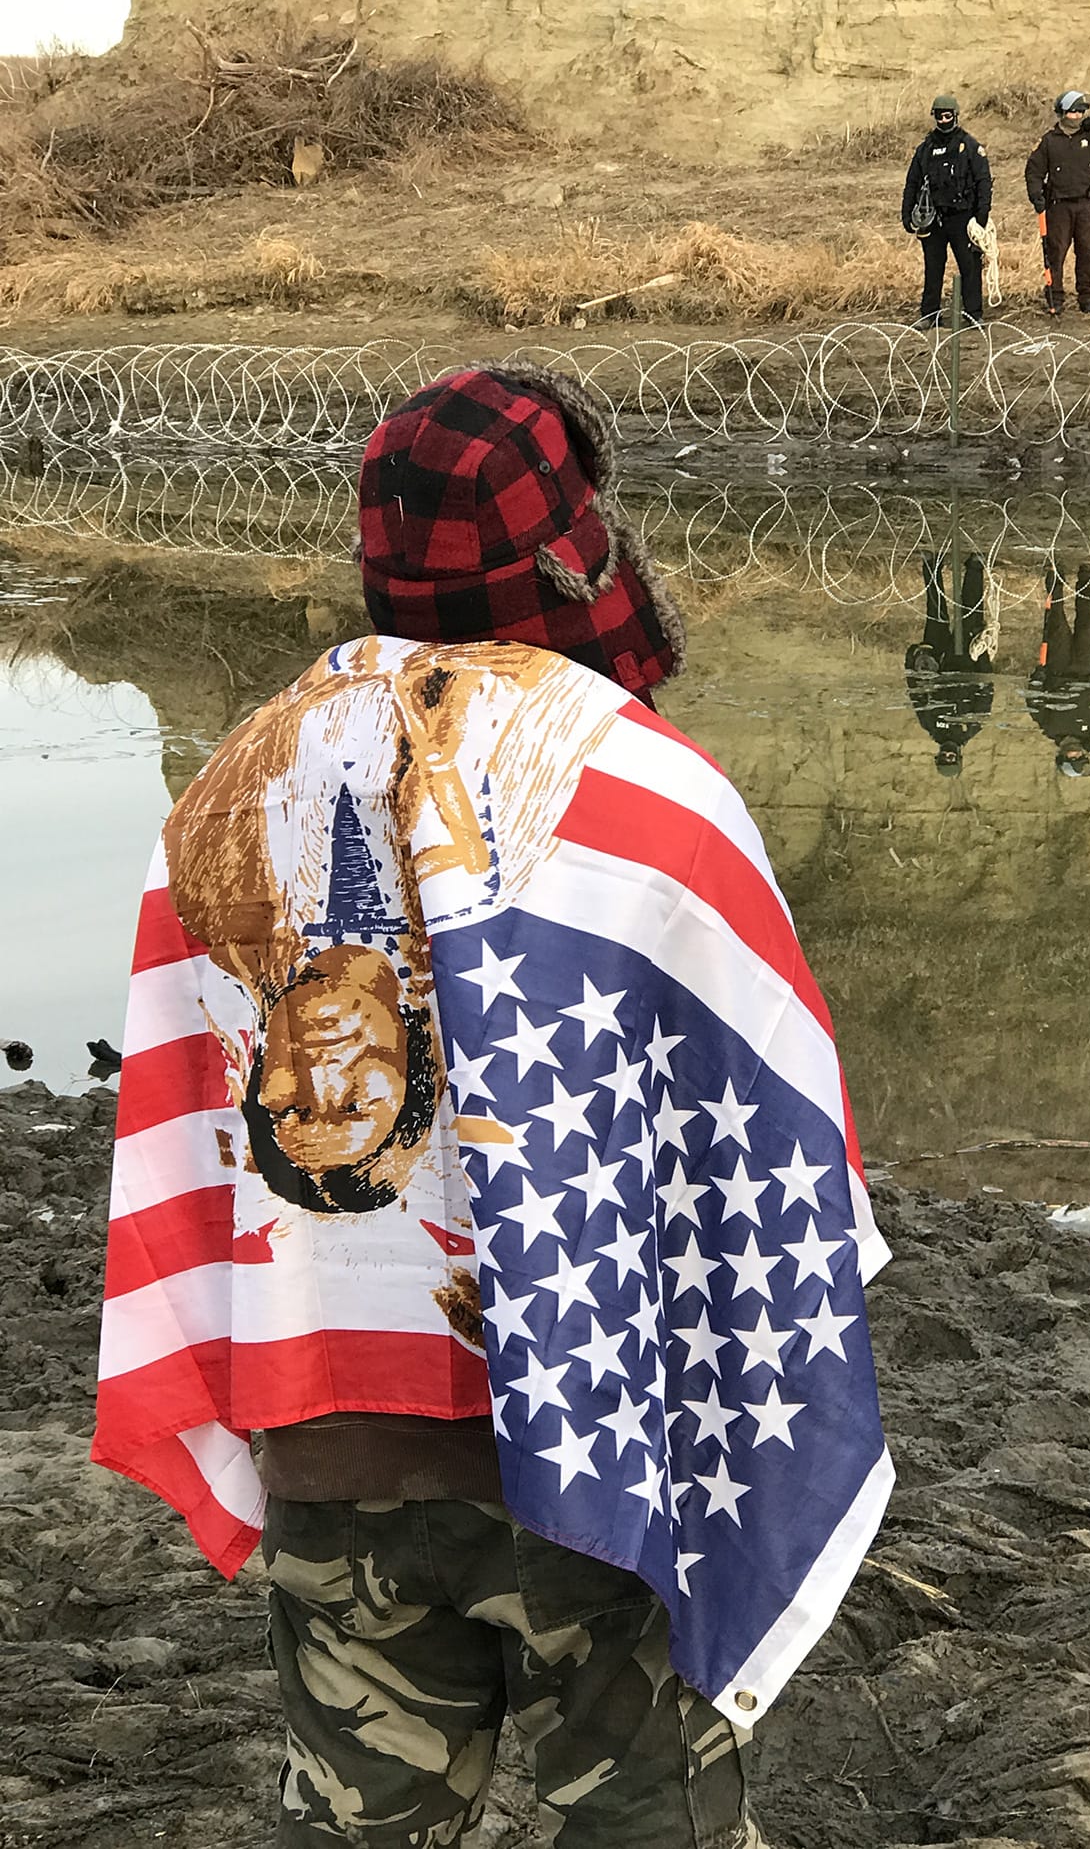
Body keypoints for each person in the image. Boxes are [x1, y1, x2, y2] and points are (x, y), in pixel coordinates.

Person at [93, 361, 894, 1847]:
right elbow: (772, 1145)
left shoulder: (222, 794)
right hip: (602, 1454)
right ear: (576, 550)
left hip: (335, 1449)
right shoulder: (653, 789)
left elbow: (190, 1143)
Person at [1024, 90, 1090, 316]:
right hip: (1058, 205)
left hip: (1085, 204)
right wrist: (1036, 196)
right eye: (1073, 112)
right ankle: (1055, 298)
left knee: (1087, 251)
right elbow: (1034, 171)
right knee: (1056, 252)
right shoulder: (1049, 141)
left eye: (1081, 112)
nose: (1078, 116)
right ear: (1061, 113)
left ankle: (1087, 298)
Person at [901, 93, 993, 330]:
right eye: (939, 116)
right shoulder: (925, 149)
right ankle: (929, 314)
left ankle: (973, 314)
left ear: (955, 115)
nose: (943, 120)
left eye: (947, 115)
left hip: (963, 217)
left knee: (970, 266)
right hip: (933, 219)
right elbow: (912, 182)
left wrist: (981, 217)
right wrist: (907, 212)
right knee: (933, 268)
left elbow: (984, 181)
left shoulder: (970, 146)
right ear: (934, 117)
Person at [1026, 559, 1090, 775]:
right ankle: (1087, 575)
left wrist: (1038, 677)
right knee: (1087, 622)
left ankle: (1055, 574)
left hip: (1057, 669)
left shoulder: (1049, 728)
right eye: (1080, 756)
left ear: (1061, 755)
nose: (1076, 753)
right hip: (1085, 671)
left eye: (1073, 757)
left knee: (1056, 619)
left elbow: (1032, 699)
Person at [905, 550, 994, 776]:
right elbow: (986, 692)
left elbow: (916, 693)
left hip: (937, 662)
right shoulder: (971, 727)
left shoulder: (929, 724)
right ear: (959, 757)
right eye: (951, 758)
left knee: (935, 610)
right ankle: (974, 567)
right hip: (966, 662)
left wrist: (912, 658)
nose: (948, 754)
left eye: (944, 757)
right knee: (970, 613)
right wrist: (981, 657)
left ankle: (931, 565)